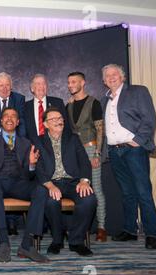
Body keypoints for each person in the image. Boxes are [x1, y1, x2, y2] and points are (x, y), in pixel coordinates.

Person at [0, 107, 50, 263]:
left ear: (18, 122)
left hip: (18, 183)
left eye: (13, 116)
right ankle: (4, 242)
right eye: (6, 116)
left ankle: (26, 245)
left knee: (41, 190)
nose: (9, 118)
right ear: (1, 121)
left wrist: (32, 165)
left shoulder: (26, 143)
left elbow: (29, 175)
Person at [101, 64, 156, 250]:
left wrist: (139, 140)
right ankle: (130, 230)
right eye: (107, 76)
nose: (111, 77)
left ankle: (151, 233)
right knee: (127, 193)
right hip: (115, 151)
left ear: (122, 77)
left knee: (143, 191)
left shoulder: (138, 91)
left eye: (114, 74)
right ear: (104, 81)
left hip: (133, 149)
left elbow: (149, 119)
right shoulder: (105, 100)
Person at [37, 107, 97, 257]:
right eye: (54, 119)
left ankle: (76, 241)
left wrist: (84, 181)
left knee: (88, 199)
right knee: (51, 202)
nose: (58, 121)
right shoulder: (38, 141)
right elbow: (38, 167)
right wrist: (50, 185)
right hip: (51, 182)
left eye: (60, 118)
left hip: (73, 182)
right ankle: (57, 240)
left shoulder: (73, 138)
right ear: (45, 124)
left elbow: (84, 162)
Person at [66, 71, 107, 241]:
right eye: (68, 82)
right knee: (79, 189)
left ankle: (101, 227)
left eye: (74, 81)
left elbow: (100, 129)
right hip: (75, 152)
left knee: (95, 188)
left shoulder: (94, 103)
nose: (70, 85)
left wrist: (98, 152)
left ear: (83, 83)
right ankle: (81, 228)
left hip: (91, 149)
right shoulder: (68, 105)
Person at [0, 72, 26, 235]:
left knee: (15, 177)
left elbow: (22, 122)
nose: (4, 88)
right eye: (1, 85)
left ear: (11, 86)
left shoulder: (19, 99)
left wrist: (21, 143)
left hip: (14, 143)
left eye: (7, 85)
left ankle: (12, 223)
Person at [24, 74, 70, 145]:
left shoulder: (58, 103)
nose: (41, 86)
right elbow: (23, 132)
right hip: (33, 149)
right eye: (38, 84)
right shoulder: (25, 107)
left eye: (44, 83)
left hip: (56, 146)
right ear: (32, 88)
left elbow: (66, 127)